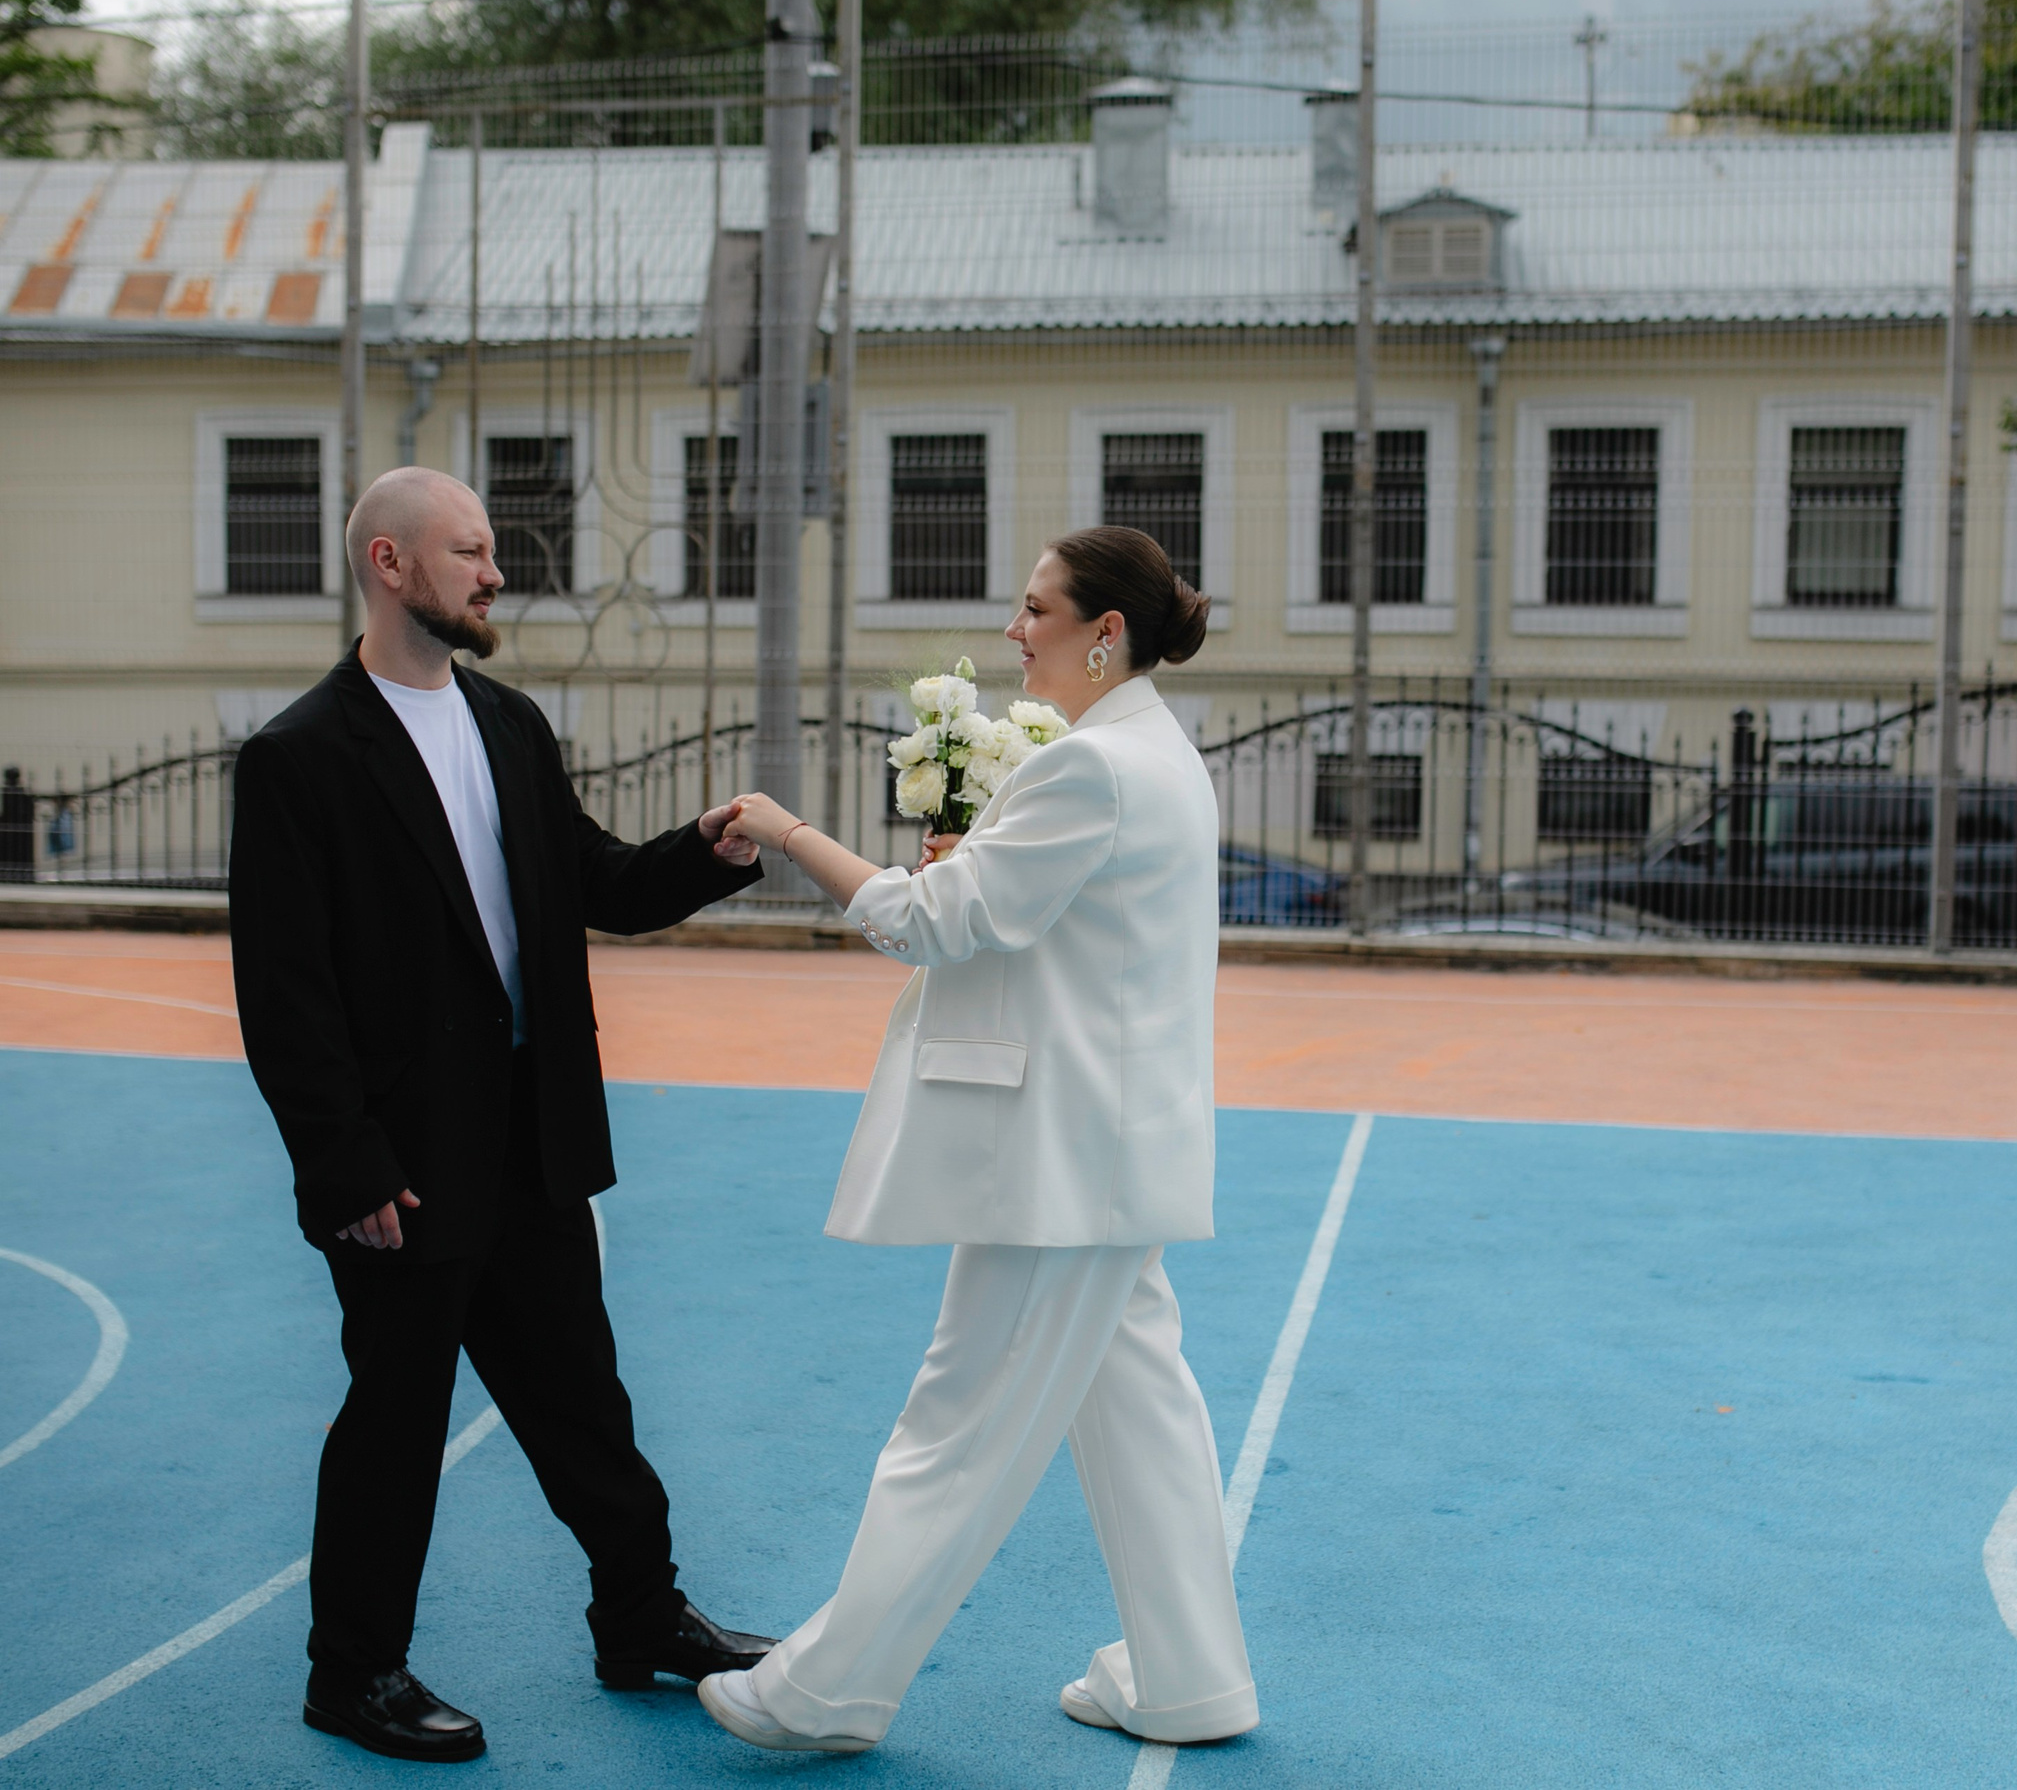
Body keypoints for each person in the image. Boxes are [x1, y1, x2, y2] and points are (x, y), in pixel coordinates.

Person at [228, 467, 776, 1765]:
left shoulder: (511, 727)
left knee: (585, 1399)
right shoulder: (299, 756)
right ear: (388, 561)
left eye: (490, 552)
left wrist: (702, 849)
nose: (492, 571)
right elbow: (284, 991)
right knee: (397, 1422)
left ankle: (638, 1615)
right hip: (401, 1173)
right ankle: (351, 1672)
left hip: (532, 1148)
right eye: (469, 550)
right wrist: (344, 1166)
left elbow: (596, 883)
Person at [694, 526, 1255, 1756]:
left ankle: (827, 1689)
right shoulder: (1149, 749)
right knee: (1142, 1412)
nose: (1015, 629)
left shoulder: (1092, 767)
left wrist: (790, 834)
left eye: (1036, 607)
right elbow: (1039, 923)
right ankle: (1189, 1676)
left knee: (958, 1419)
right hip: (1113, 1151)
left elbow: (930, 922)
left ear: (1104, 633)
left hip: (1063, 1162)